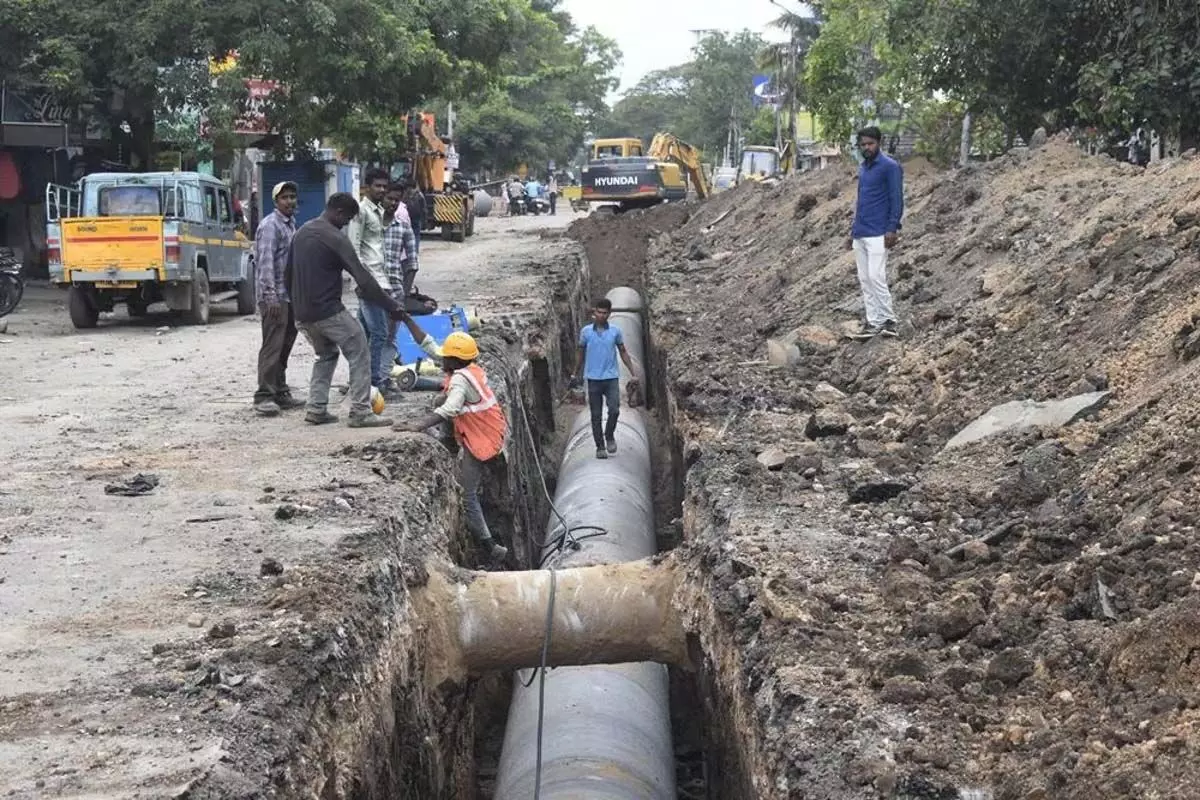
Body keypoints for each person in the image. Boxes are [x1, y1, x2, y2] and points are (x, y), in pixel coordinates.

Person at [394, 312, 509, 563]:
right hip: (484, 430)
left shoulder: (459, 380)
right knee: (439, 396)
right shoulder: (467, 368)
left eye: (446, 356)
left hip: (482, 438)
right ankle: (448, 445)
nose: (441, 357)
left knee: (467, 494)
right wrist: (407, 319)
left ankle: (491, 547)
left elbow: (450, 409)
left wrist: (417, 425)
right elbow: (430, 346)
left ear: (454, 360)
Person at [284, 193, 405, 428]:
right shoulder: (335, 238)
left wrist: (297, 307)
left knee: (326, 354)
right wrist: (391, 306)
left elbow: (287, 274)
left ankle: (316, 408)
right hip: (327, 311)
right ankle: (361, 410)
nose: (347, 224)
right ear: (338, 212)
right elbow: (364, 280)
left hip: (303, 314)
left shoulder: (301, 233)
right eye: (347, 219)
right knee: (360, 347)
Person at [847, 125, 904, 340]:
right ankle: (874, 322)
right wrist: (853, 231)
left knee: (876, 276)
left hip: (880, 232)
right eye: (863, 145)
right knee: (864, 278)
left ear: (879, 143)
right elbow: (863, 201)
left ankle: (890, 320)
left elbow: (896, 199)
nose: (866, 148)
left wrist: (892, 228)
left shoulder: (890, 167)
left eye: (870, 143)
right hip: (861, 231)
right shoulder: (864, 168)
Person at [253, 181, 302, 417]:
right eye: (285, 198)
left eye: (293, 197)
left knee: (285, 346)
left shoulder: (291, 225)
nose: (290, 201)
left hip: (290, 296)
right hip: (275, 298)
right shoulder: (270, 226)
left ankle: (280, 391)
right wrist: (270, 296)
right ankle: (264, 395)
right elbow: (265, 264)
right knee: (272, 345)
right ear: (276, 201)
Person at [570, 297, 639, 460]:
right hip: (593, 379)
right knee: (595, 415)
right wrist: (574, 373)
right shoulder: (586, 332)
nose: (601, 316)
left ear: (609, 314)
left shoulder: (615, 331)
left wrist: (633, 372)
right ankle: (600, 446)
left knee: (614, 410)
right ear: (594, 312)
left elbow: (623, 351)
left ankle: (609, 435)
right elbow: (580, 353)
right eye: (599, 312)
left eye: (605, 313)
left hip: (611, 378)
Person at [349, 168, 394, 392]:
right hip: (369, 282)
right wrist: (361, 281)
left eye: (384, 186)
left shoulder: (377, 210)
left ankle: (359, 381)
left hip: (379, 278)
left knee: (365, 334)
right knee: (380, 333)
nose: (382, 190)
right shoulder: (360, 211)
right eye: (377, 186)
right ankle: (376, 383)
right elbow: (354, 249)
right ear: (367, 187)